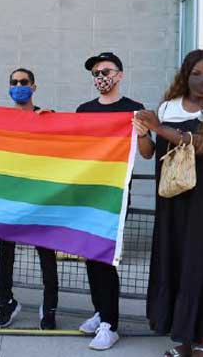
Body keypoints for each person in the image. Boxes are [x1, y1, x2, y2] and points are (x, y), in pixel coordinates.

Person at [135, 49, 203, 357]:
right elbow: (147, 152)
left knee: (200, 267)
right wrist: (143, 131)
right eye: (196, 73)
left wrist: (158, 127)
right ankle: (182, 341)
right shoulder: (168, 108)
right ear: (186, 75)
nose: (202, 79)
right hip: (173, 201)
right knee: (174, 265)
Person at [76, 52, 154, 350]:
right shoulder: (84, 110)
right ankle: (101, 312)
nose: (100, 77)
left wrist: (144, 134)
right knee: (91, 255)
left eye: (105, 71)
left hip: (115, 194)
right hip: (87, 193)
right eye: (95, 72)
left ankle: (110, 323)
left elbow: (147, 152)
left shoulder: (134, 110)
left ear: (119, 75)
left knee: (105, 257)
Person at [0, 67, 59, 330]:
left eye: (24, 82)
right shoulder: (1, 119)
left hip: (40, 199)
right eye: (14, 82)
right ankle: (5, 303)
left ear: (34, 87)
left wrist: (52, 120)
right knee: (5, 253)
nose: (18, 85)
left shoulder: (47, 117)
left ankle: (50, 308)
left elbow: (64, 141)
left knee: (46, 254)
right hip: (10, 199)